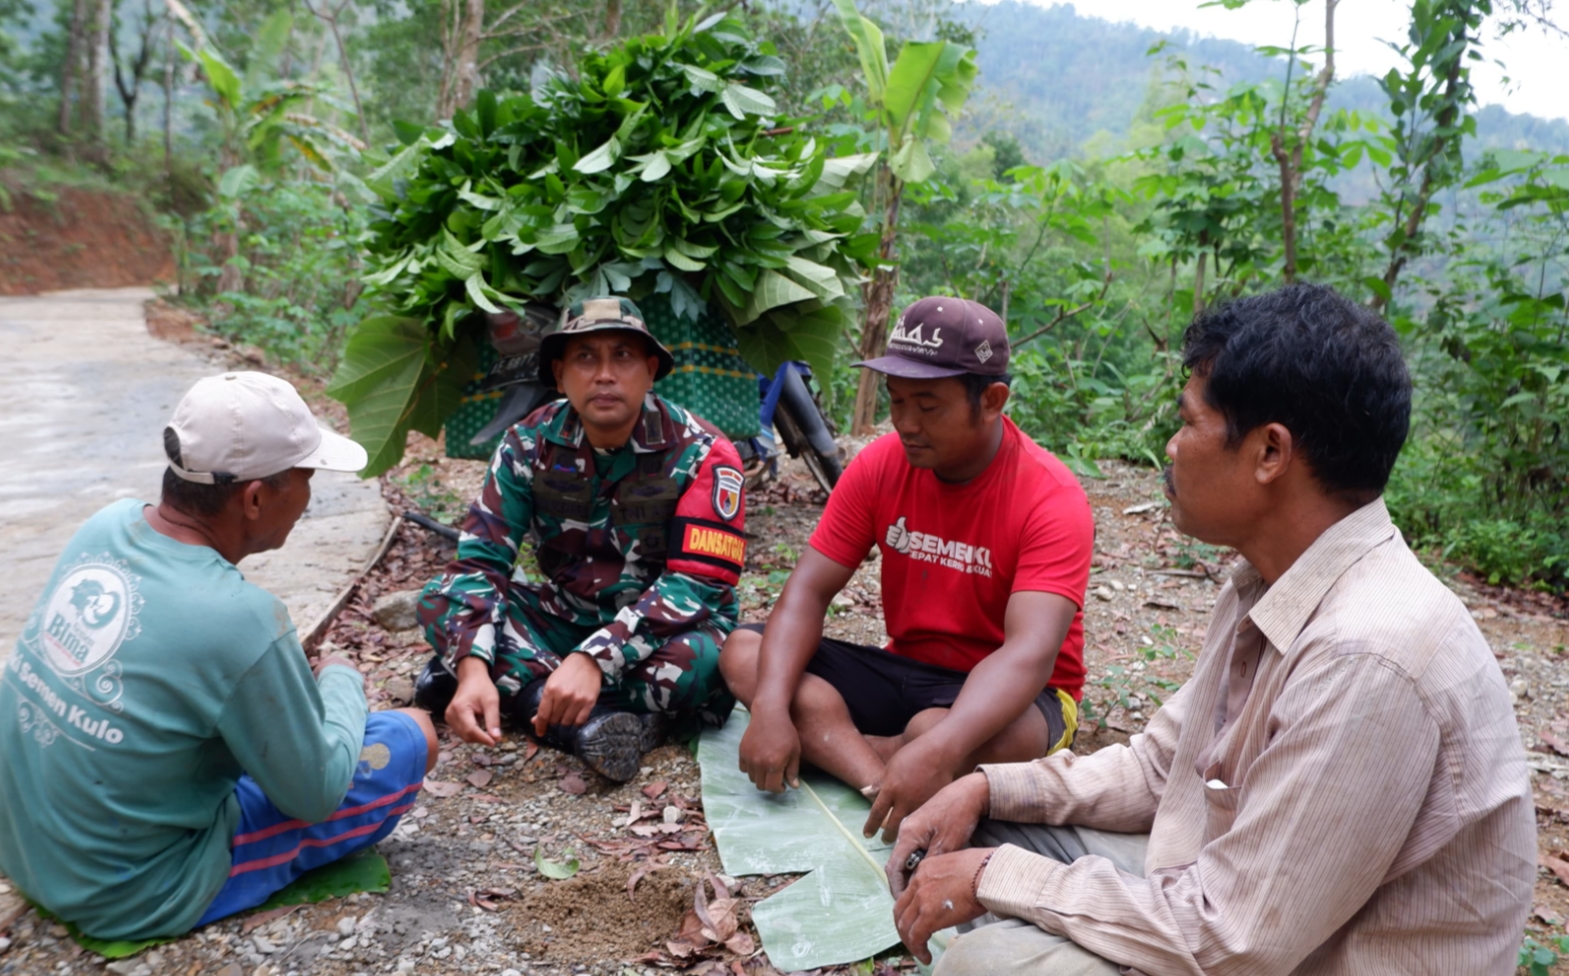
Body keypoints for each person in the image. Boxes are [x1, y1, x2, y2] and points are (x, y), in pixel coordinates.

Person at [885, 283, 1536, 976]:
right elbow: (1161, 768)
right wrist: (984, 786)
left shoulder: (1368, 654)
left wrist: (998, 878)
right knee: (978, 830)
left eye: (1188, 421)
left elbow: (1236, 940)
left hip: (1298, 952)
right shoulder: (1269, 581)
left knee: (989, 962)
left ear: (1268, 453)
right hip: (1242, 901)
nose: (1170, 446)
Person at [0, 371, 438, 941]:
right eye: (305, 479)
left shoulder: (104, 526)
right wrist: (340, 679)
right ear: (255, 498)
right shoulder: (242, 617)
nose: (309, 499)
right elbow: (315, 794)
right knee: (413, 735)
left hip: (22, 847)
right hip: (126, 890)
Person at [720, 297, 1094, 841]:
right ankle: (883, 777)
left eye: (928, 405)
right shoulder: (879, 464)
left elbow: (1029, 655)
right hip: (908, 669)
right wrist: (772, 707)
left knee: (935, 732)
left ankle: (853, 747)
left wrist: (939, 746)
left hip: (1020, 695)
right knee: (745, 653)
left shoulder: (1050, 497)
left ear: (992, 401)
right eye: (896, 401)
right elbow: (806, 593)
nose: (905, 422)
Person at [415, 297, 747, 782]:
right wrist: (469, 668)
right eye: (586, 358)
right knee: (439, 600)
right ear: (560, 373)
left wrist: (595, 659)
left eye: (623, 356)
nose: (605, 374)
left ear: (651, 370)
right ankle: (571, 710)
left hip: (666, 634)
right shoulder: (526, 444)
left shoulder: (705, 453)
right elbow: (481, 564)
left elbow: (697, 586)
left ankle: (530, 693)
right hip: (566, 617)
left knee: (703, 666)